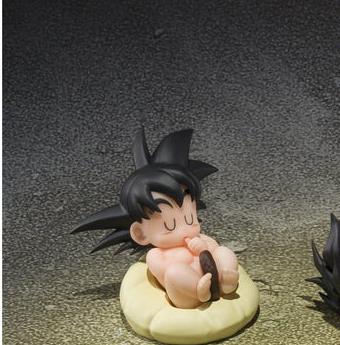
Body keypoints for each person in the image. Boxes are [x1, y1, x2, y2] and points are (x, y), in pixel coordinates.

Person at [73, 128, 240, 309]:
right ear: (141, 233)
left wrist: (203, 248)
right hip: (187, 297)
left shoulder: (200, 238)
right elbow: (164, 272)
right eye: (170, 225)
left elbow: (213, 249)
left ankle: (227, 280)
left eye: (190, 219)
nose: (185, 229)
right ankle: (198, 290)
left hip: (215, 279)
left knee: (224, 252)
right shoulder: (156, 255)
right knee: (175, 272)